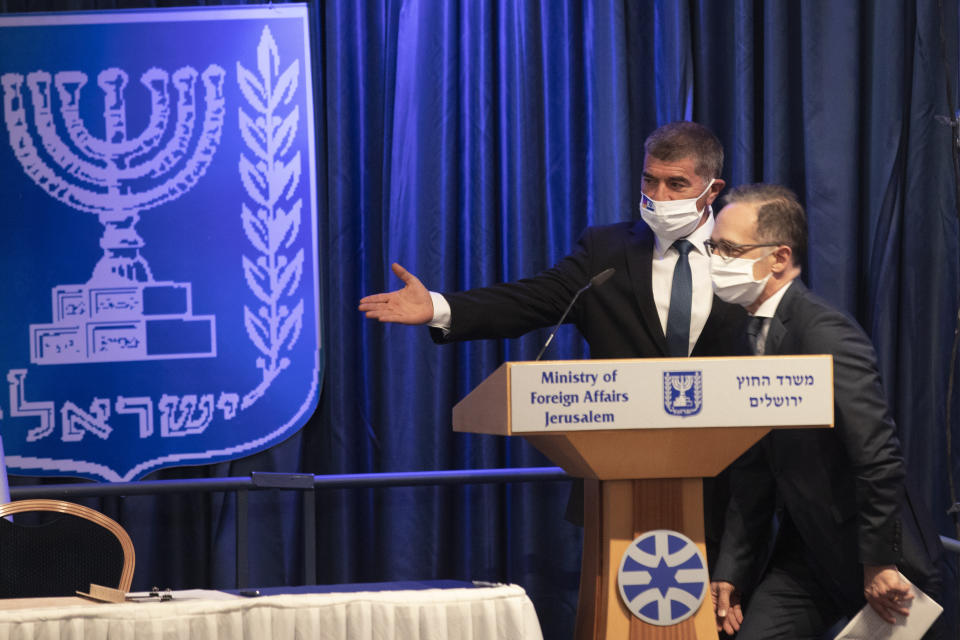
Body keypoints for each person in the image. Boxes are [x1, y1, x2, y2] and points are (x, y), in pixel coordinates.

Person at [358, 121, 748, 552]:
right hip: (617, 480)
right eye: (649, 181)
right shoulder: (606, 250)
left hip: (727, 493)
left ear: (712, 191)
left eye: (676, 185)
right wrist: (439, 306)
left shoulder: (750, 254)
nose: (658, 197)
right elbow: (533, 299)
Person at [707, 184, 943, 639]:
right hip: (806, 555)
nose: (716, 259)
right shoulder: (746, 334)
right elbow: (753, 469)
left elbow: (878, 457)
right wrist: (732, 569)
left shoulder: (824, 332)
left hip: (877, 557)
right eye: (714, 247)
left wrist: (878, 560)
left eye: (729, 249)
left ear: (779, 257)